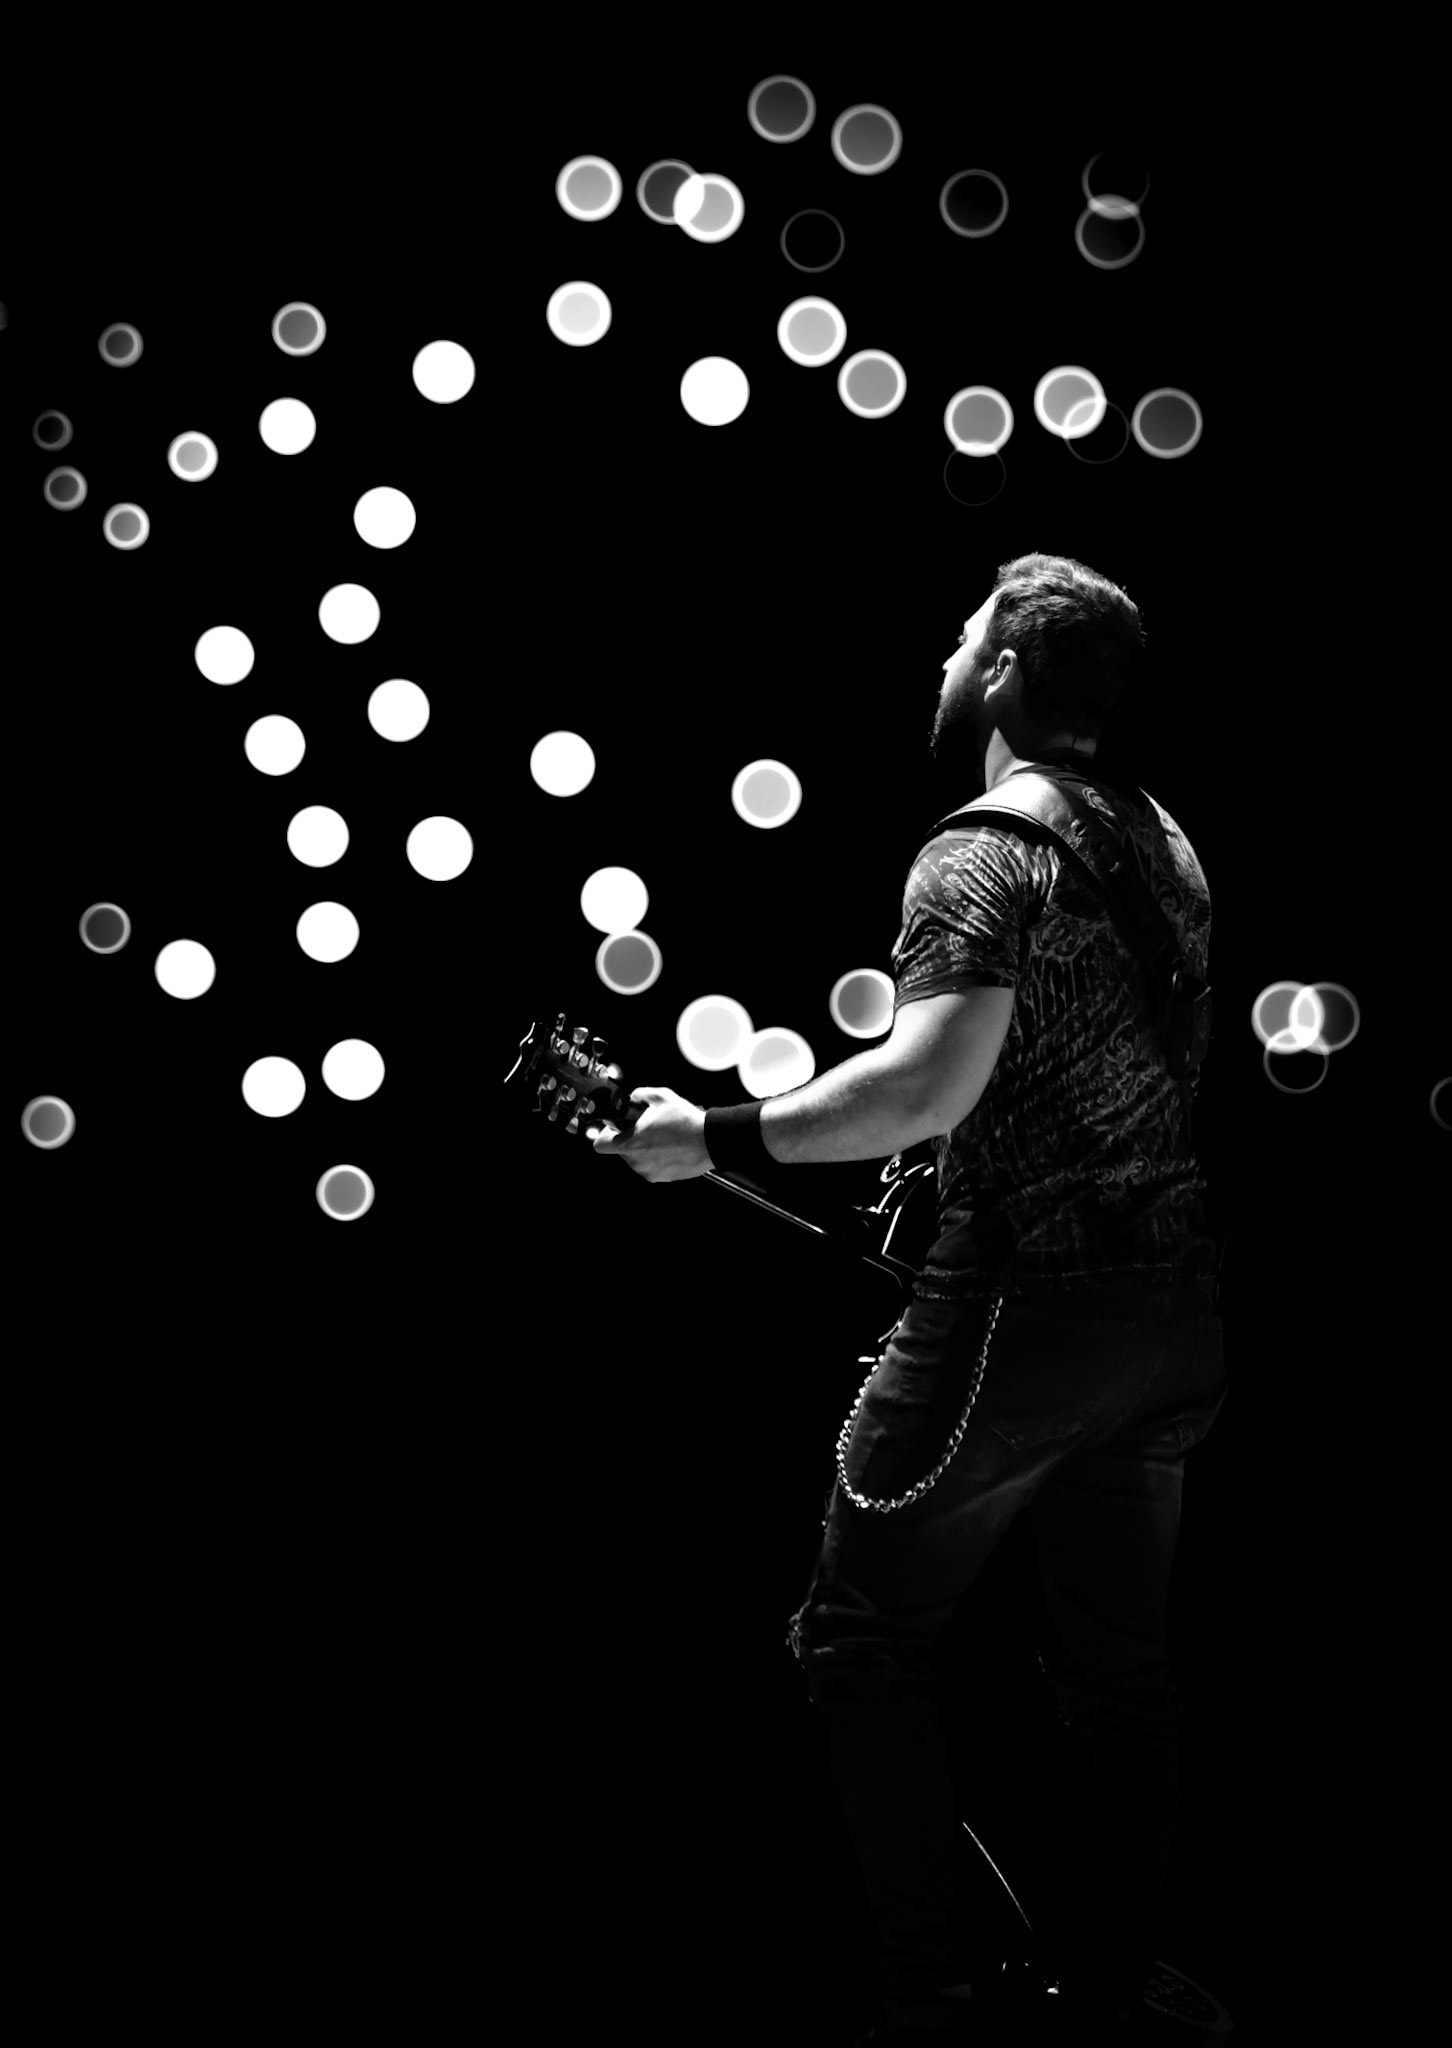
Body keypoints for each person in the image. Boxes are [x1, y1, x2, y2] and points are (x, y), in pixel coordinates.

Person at [589, 553, 1230, 2043]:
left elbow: (924, 1084)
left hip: (1024, 1315)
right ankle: (1112, 1993)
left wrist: (710, 1137)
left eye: (960, 638)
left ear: (1004, 671)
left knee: (860, 1642)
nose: (940, 662)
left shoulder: (979, 851)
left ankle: (928, 2002)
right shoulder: (1164, 839)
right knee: (1121, 1678)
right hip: (1173, 1317)